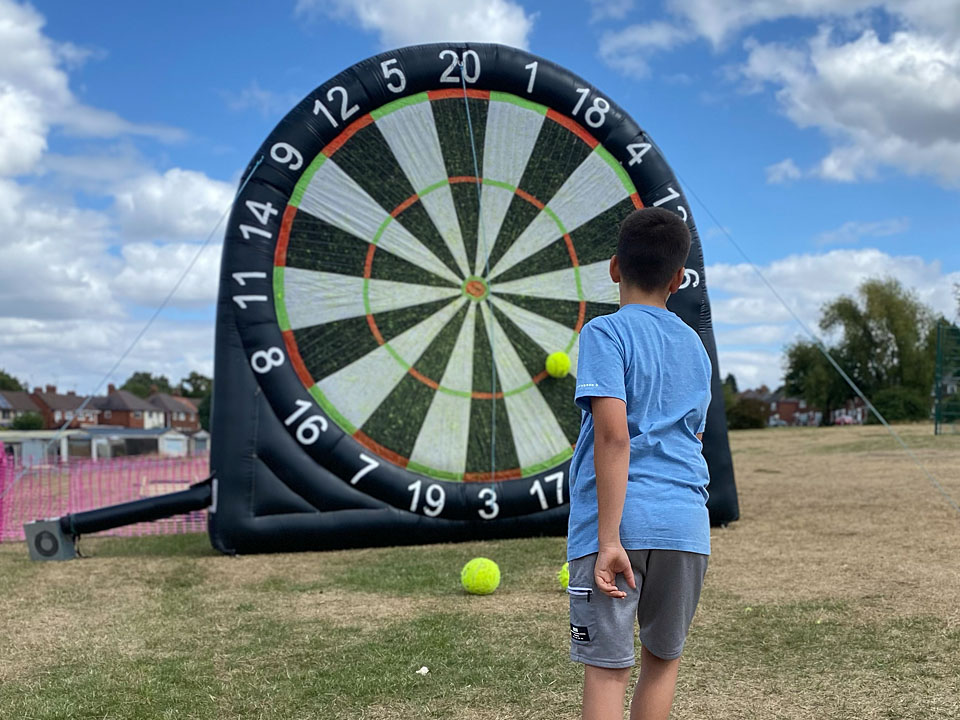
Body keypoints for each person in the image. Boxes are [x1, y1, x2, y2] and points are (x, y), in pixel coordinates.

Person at [566, 206, 711, 720]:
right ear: (677, 278)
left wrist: (608, 541)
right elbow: (692, 435)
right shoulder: (695, 346)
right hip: (686, 526)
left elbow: (613, 436)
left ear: (613, 267)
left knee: (607, 669)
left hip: (621, 526)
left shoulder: (605, 333)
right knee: (662, 662)